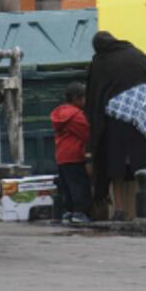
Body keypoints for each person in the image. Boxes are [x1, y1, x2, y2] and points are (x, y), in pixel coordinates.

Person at [85, 31, 146, 221]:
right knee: (143, 161)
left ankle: (120, 208)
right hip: (145, 115)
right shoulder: (136, 53)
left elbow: (94, 94)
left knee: (115, 163)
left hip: (116, 118)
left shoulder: (101, 61)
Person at [50, 82, 92, 224]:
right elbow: (87, 134)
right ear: (76, 99)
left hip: (62, 155)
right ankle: (80, 213)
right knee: (79, 185)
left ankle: (69, 212)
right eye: (84, 98)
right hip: (74, 155)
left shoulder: (60, 113)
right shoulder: (76, 116)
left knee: (67, 186)